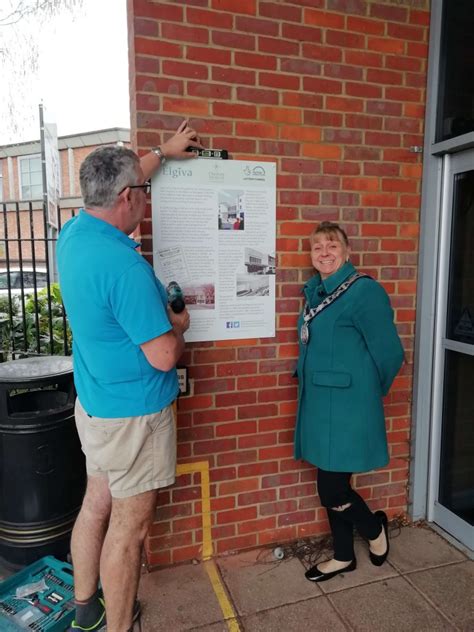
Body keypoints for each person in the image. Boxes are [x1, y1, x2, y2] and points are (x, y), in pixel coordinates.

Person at [57, 121, 203, 632]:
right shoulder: (125, 268)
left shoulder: (74, 234)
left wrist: (161, 154)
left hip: (95, 409)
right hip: (135, 421)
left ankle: (85, 612)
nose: (145, 196)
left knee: (95, 504)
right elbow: (164, 356)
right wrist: (180, 326)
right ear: (125, 198)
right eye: (140, 191)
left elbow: (125, 177)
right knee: (129, 529)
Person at [294, 221, 404, 583]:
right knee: (330, 482)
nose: (324, 253)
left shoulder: (363, 292)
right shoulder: (316, 292)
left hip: (347, 408)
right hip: (320, 405)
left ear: (347, 253)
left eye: (332, 246)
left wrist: (368, 394)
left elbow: (390, 353)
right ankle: (343, 555)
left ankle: (373, 532)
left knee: (332, 487)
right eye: (317, 248)